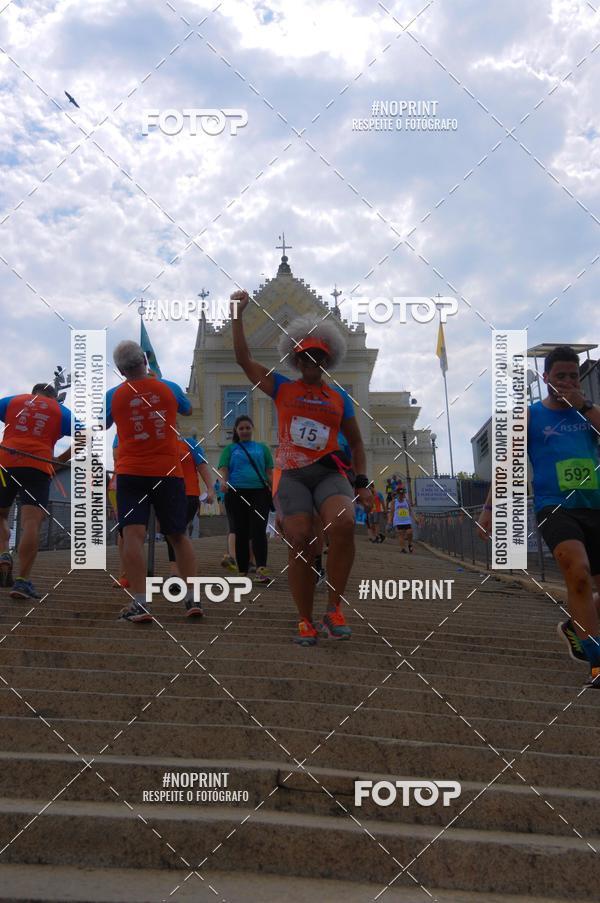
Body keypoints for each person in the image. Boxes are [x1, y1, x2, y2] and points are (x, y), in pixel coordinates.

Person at [231, 290, 372, 646]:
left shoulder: (339, 399)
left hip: (328, 473)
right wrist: (236, 315)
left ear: (327, 360)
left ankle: (333, 609)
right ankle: (305, 618)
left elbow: (355, 442)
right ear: (296, 358)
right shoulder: (282, 387)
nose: (312, 359)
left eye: (319, 355)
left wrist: (362, 480)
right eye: (305, 354)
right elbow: (244, 360)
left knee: (342, 524)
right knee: (301, 540)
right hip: (293, 474)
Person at [477, 345, 600, 687]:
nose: (567, 382)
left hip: (596, 505)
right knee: (577, 573)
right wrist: (489, 510)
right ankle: (596, 662)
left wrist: (586, 406)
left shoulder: (589, 414)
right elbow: (506, 464)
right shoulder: (529, 415)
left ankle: (577, 626)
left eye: (573, 376)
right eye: (560, 376)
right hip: (554, 505)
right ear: (546, 378)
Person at [106, 341, 201, 622]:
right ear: (145, 361)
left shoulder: (114, 394)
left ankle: (140, 601)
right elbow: (188, 411)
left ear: (121, 370)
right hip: (168, 472)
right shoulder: (169, 387)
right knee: (177, 535)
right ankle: (192, 597)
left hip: (130, 472)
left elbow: (101, 425)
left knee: (133, 535)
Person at [0, 384, 72, 598]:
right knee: (31, 522)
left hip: (5, 461)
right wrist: (60, 460)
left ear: (33, 393)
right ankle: (22, 582)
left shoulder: (13, 401)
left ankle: (4, 553)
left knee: (1, 514)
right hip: (38, 465)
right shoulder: (60, 410)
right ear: (54, 397)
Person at [218, 415, 273, 584]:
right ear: (236, 431)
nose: (244, 431)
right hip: (236, 493)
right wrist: (223, 482)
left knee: (258, 531)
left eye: (247, 427)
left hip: (259, 493)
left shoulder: (262, 448)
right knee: (241, 532)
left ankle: (261, 569)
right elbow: (224, 469)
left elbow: (269, 471)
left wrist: (275, 489)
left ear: (252, 429)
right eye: (241, 428)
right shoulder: (230, 449)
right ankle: (242, 572)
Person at [166, 437, 214, 576]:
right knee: (172, 532)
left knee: (176, 530)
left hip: (189, 493)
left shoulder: (190, 444)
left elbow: (202, 465)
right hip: (166, 494)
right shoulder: (159, 444)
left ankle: (177, 572)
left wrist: (210, 488)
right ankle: (176, 571)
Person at [388, 486, 414, 552]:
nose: (402, 495)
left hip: (407, 520)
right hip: (398, 521)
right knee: (401, 534)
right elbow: (391, 512)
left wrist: (415, 518)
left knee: (409, 532)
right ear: (397, 494)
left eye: (403, 494)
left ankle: (410, 544)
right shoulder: (394, 502)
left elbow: (410, 510)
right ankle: (402, 548)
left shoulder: (407, 501)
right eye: (400, 494)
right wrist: (390, 520)